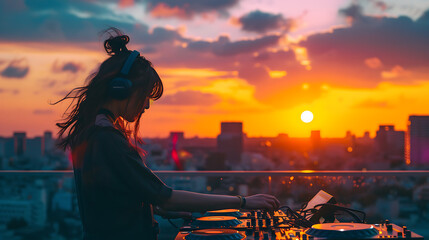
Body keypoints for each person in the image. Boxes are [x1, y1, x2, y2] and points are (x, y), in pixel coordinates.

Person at [54, 28, 280, 240]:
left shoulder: (92, 131)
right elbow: (165, 196)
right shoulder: (107, 139)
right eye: (145, 96)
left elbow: (112, 198)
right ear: (122, 90)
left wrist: (156, 208)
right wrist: (244, 201)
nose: (146, 106)